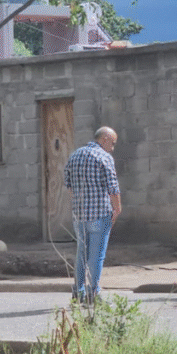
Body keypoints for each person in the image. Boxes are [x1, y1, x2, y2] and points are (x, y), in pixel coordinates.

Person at [64, 126, 121, 303]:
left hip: (79, 216)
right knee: (96, 256)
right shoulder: (104, 157)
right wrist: (117, 209)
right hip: (100, 213)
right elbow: (113, 187)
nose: (112, 148)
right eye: (112, 143)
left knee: (81, 253)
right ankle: (92, 292)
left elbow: (68, 185)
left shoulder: (74, 155)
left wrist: (80, 202)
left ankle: (78, 291)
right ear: (104, 139)